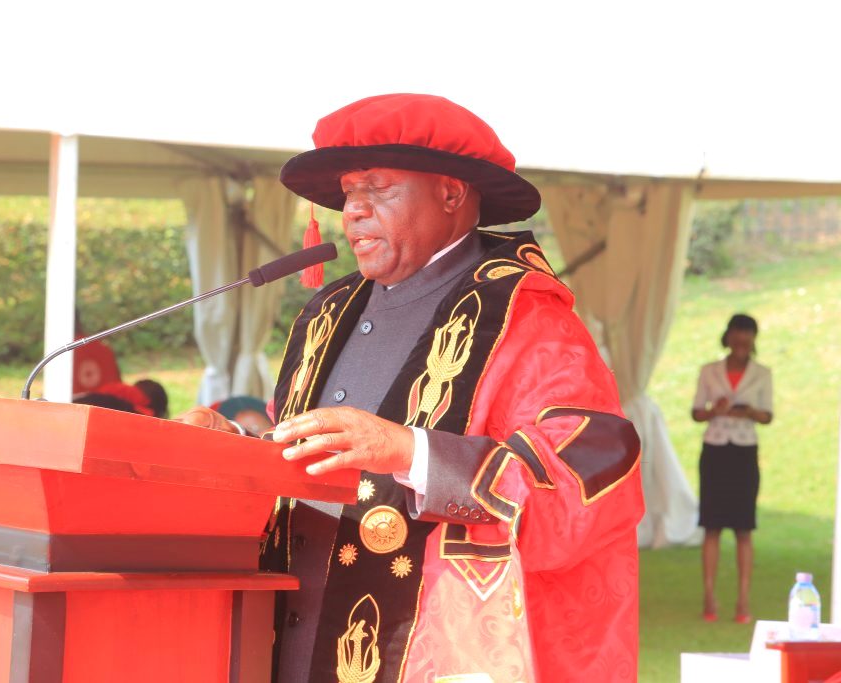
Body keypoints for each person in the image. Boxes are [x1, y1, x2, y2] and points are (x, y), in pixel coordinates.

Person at [180, 93, 644, 682]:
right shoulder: (329, 310)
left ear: (451, 193)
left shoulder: (529, 320)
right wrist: (234, 445)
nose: (353, 211)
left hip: (425, 647)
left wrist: (410, 452)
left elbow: (587, 479)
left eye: (378, 188)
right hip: (288, 631)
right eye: (349, 192)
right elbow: (304, 447)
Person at [692, 313, 772, 624]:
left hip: (744, 451)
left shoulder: (762, 373)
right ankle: (709, 596)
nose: (741, 343)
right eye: (737, 337)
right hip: (714, 449)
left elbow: (768, 415)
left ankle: (743, 600)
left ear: (753, 340)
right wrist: (715, 411)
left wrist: (751, 411)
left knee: (743, 527)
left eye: (747, 337)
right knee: (711, 525)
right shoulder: (709, 371)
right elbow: (697, 412)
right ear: (728, 338)